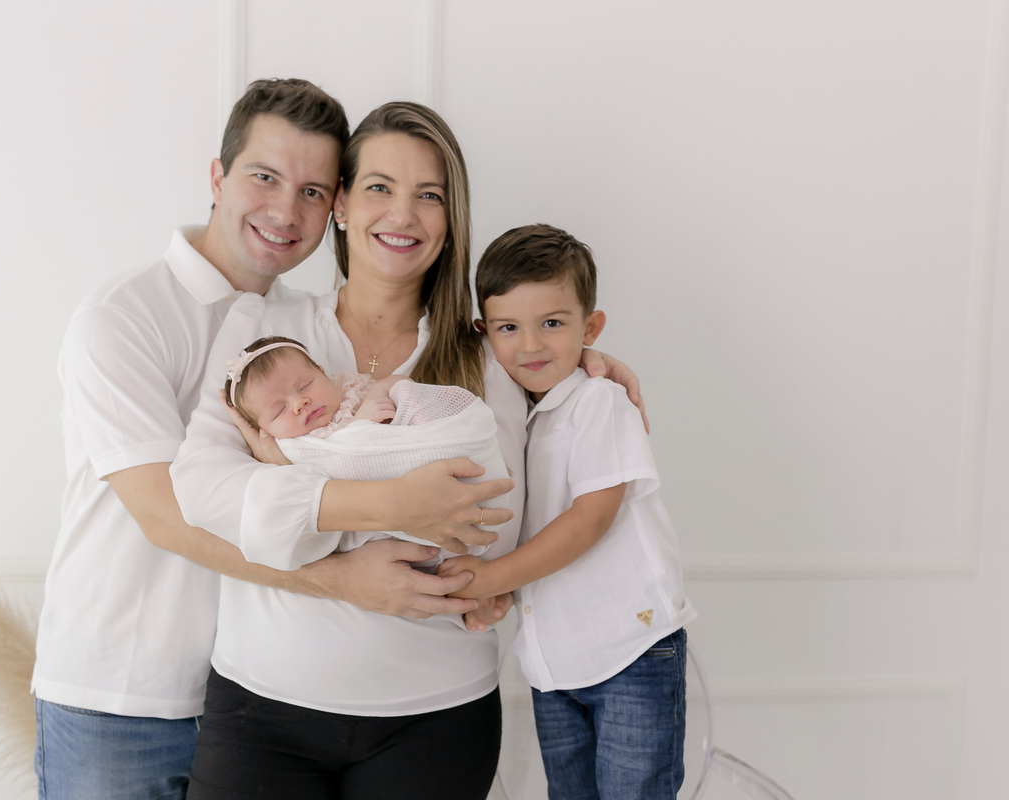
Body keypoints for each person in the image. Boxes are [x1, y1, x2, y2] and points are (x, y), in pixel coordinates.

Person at [31, 79, 507, 800]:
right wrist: (350, 570)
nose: (286, 210)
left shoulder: (281, 326)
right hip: (125, 691)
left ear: (332, 203)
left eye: (311, 190)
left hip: (237, 687)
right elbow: (168, 515)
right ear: (217, 177)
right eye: (264, 177)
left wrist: (574, 373)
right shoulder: (124, 315)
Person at [172, 101, 528, 799]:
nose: (403, 214)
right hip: (260, 709)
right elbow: (201, 490)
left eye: (430, 195)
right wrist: (394, 506)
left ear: (451, 219)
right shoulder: (264, 330)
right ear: (340, 204)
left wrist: (285, 489)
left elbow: (495, 523)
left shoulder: (486, 358)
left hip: (437, 717)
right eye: (379, 187)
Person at [440, 223, 698, 799]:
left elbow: (588, 520)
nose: (530, 345)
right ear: (485, 333)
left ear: (591, 327)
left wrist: (489, 579)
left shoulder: (598, 401)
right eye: (509, 328)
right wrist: (501, 592)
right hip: (555, 662)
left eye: (552, 324)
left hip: (630, 651)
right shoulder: (520, 415)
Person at [222, 334, 511, 571]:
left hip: (453, 483)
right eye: (279, 410)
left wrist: (378, 394)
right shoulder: (297, 447)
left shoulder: (355, 392)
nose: (299, 403)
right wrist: (359, 431)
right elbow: (332, 474)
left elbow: (403, 389)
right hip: (383, 543)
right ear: (265, 430)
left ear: (322, 373)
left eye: (305, 385)